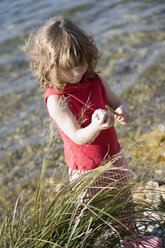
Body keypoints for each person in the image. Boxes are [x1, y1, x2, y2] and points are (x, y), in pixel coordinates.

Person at [26, 16, 162, 248]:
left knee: (123, 201)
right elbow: (77, 137)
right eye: (69, 69)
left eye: (81, 63)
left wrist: (122, 110)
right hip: (86, 169)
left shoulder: (95, 79)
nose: (78, 72)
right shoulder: (56, 99)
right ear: (51, 67)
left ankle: (131, 241)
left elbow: (117, 101)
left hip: (113, 156)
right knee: (90, 215)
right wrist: (96, 125)